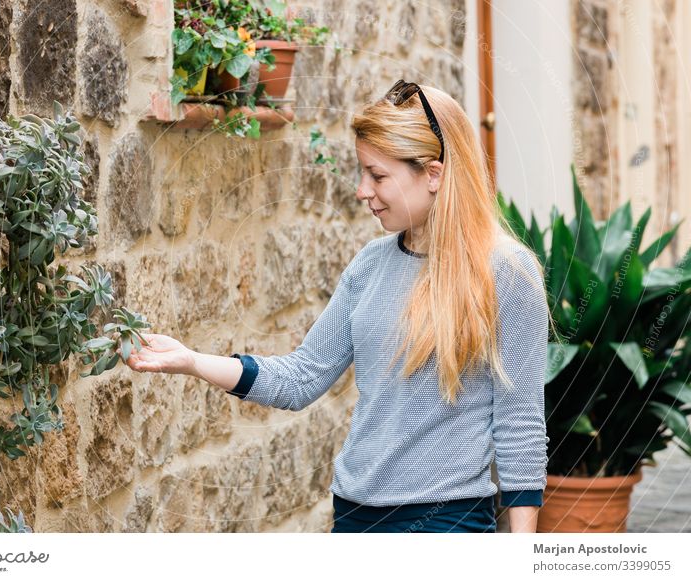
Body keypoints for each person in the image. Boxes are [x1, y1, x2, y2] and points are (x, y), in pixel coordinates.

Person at [118, 79, 556, 534]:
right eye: (362, 172)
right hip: (352, 516)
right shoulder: (370, 266)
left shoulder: (506, 271)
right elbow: (301, 377)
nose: (362, 189)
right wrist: (191, 361)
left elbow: (519, 425)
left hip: (444, 523)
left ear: (433, 174)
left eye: (378, 175)